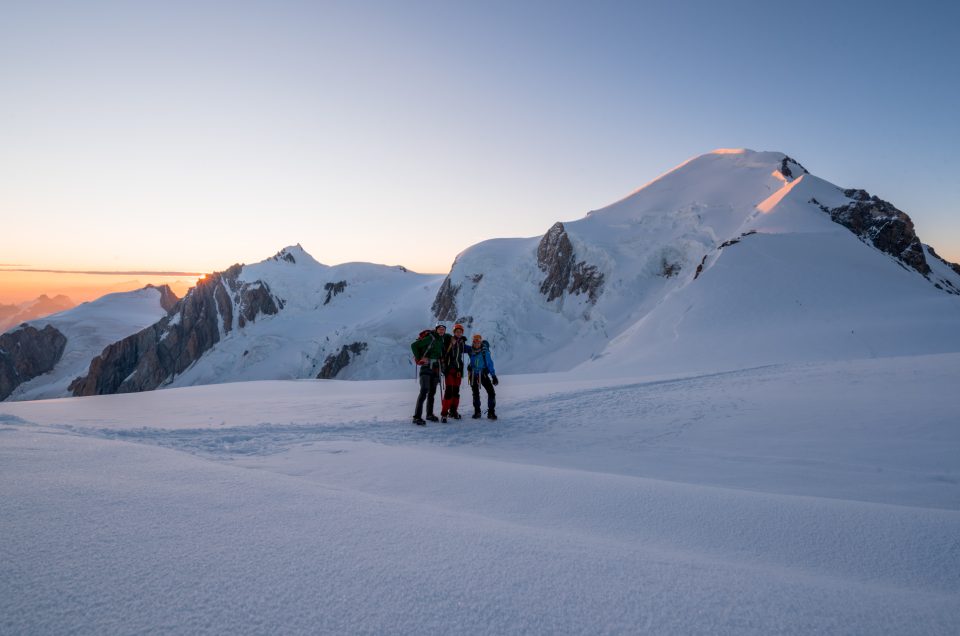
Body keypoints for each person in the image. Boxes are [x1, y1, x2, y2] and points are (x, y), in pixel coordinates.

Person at [410, 324, 446, 425]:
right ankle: (417, 417)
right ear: (436, 330)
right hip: (426, 368)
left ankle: (429, 414)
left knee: (432, 392)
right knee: (424, 391)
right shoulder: (431, 338)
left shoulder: (441, 341)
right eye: (440, 329)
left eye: (443, 329)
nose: (441, 331)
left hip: (435, 369)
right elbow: (414, 345)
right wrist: (419, 358)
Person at [440, 323, 469, 422]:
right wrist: (444, 369)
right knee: (448, 392)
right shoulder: (449, 341)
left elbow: (469, 349)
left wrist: (482, 346)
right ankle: (444, 413)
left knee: (456, 392)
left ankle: (453, 411)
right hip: (449, 370)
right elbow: (443, 354)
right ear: (454, 332)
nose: (459, 333)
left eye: (460, 332)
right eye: (457, 331)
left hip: (458, 372)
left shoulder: (461, 343)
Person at [467, 333, 499, 420]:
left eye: (478, 342)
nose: (477, 344)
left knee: (491, 392)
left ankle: (491, 412)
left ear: (480, 343)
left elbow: (490, 364)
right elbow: (461, 347)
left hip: (483, 374)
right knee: (475, 394)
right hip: (473, 374)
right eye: (475, 342)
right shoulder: (470, 350)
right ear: (473, 343)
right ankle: (477, 412)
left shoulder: (485, 353)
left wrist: (493, 376)